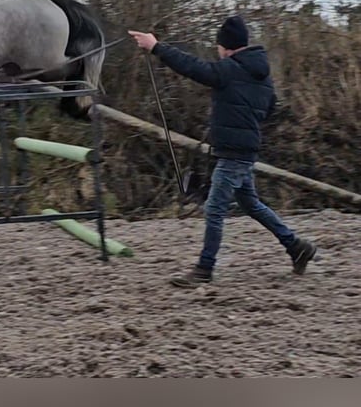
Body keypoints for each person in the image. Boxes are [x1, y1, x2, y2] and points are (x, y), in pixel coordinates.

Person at [127, 16, 317, 287]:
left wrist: (156, 46)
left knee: (214, 209)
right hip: (244, 149)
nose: (217, 51)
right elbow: (270, 108)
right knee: (250, 203)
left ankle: (205, 269)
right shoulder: (260, 74)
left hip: (234, 152)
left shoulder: (230, 70)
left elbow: (193, 67)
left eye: (218, 46)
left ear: (226, 47)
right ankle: (297, 246)